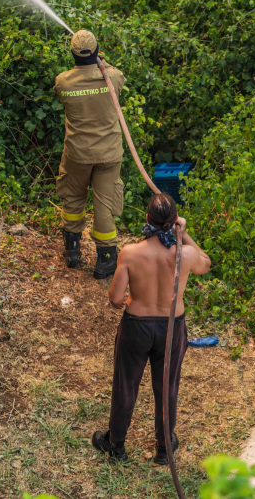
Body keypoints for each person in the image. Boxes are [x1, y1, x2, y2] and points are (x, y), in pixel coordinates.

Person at [91, 193, 212, 464]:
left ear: (147, 219)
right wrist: (185, 234)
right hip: (172, 325)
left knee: (126, 384)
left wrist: (130, 298)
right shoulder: (186, 253)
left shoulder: (131, 253)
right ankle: (164, 447)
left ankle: (117, 445)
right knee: (167, 386)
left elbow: (114, 299)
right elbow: (206, 262)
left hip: (137, 325)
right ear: (174, 222)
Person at [54, 29, 127, 279]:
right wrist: (102, 64)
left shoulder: (63, 81)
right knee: (104, 206)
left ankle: (72, 251)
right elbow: (116, 75)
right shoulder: (113, 77)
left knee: (73, 198)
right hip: (108, 155)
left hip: (77, 154)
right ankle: (106, 261)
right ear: (97, 53)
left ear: (72, 53)